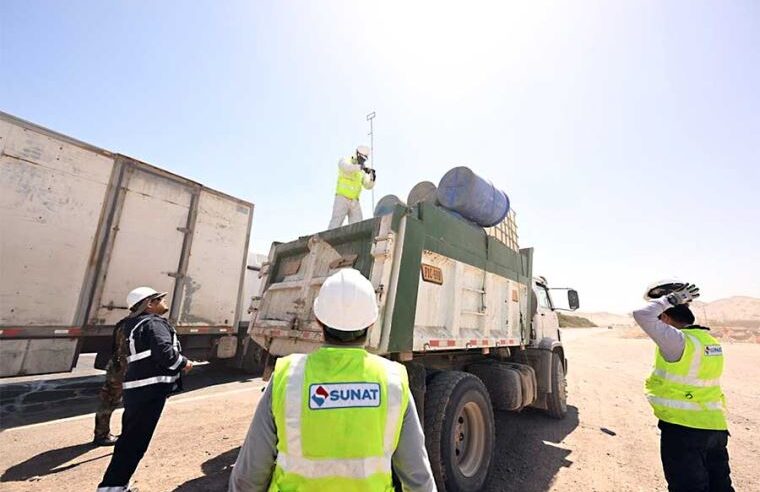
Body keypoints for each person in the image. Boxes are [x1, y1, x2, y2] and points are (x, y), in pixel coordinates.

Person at [229, 268, 436, 492]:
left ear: (319, 320)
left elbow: (248, 477)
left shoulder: (288, 377)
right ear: (372, 322)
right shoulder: (393, 381)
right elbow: (419, 480)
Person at [633, 280, 733, 492]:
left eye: (660, 320)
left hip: (684, 430)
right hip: (715, 427)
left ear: (666, 317)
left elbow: (641, 314)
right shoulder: (707, 340)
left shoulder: (677, 341)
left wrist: (669, 300)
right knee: (720, 486)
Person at [97, 287, 193, 492]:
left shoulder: (130, 324)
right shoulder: (153, 323)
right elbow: (165, 353)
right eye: (159, 299)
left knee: (130, 439)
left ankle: (114, 484)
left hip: (136, 388)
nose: (163, 302)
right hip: (149, 389)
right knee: (135, 442)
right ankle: (112, 487)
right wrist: (184, 363)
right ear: (149, 304)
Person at [93, 317, 129, 446]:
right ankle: (102, 435)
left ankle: (102, 434)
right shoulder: (133, 324)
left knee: (108, 402)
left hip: (117, 368)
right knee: (110, 402)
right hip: (121, 370)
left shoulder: (124, 322)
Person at [328, 145, 376, 229]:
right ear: (357, 154)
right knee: (336, 223)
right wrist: (361, 167)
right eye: (361, 158)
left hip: (355, 202)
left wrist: (372, 179)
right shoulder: (345, 161)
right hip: (342, 198)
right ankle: (328, 241)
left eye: (364, 159)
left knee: (358, 225)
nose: (362, 161)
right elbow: (347, 168)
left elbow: (367, 185)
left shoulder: (361, 171)